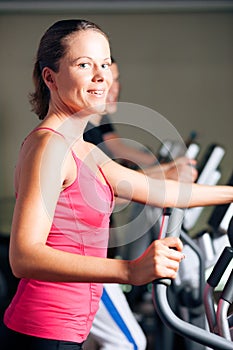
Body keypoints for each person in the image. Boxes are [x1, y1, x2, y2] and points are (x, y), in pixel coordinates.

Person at [0, 19, 232, 350]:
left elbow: (164, 191)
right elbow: (23, 257)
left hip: (65, 333)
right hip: (43, 333)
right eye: (84, 64)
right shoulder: (49, 146)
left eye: (105, 64)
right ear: (49, 77)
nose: (101, 76)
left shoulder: (83, 149)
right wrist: (129, 270)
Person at [83, 59, 198, 350]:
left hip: (98, 257)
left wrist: (161, 167)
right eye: (103, 78)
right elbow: (107, 192)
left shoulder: (96, 124)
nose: (113, 87)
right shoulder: (80, 133)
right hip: (87, 263)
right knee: (129, 343)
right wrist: (162, 172)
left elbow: (119, 149)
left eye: (115, 78)